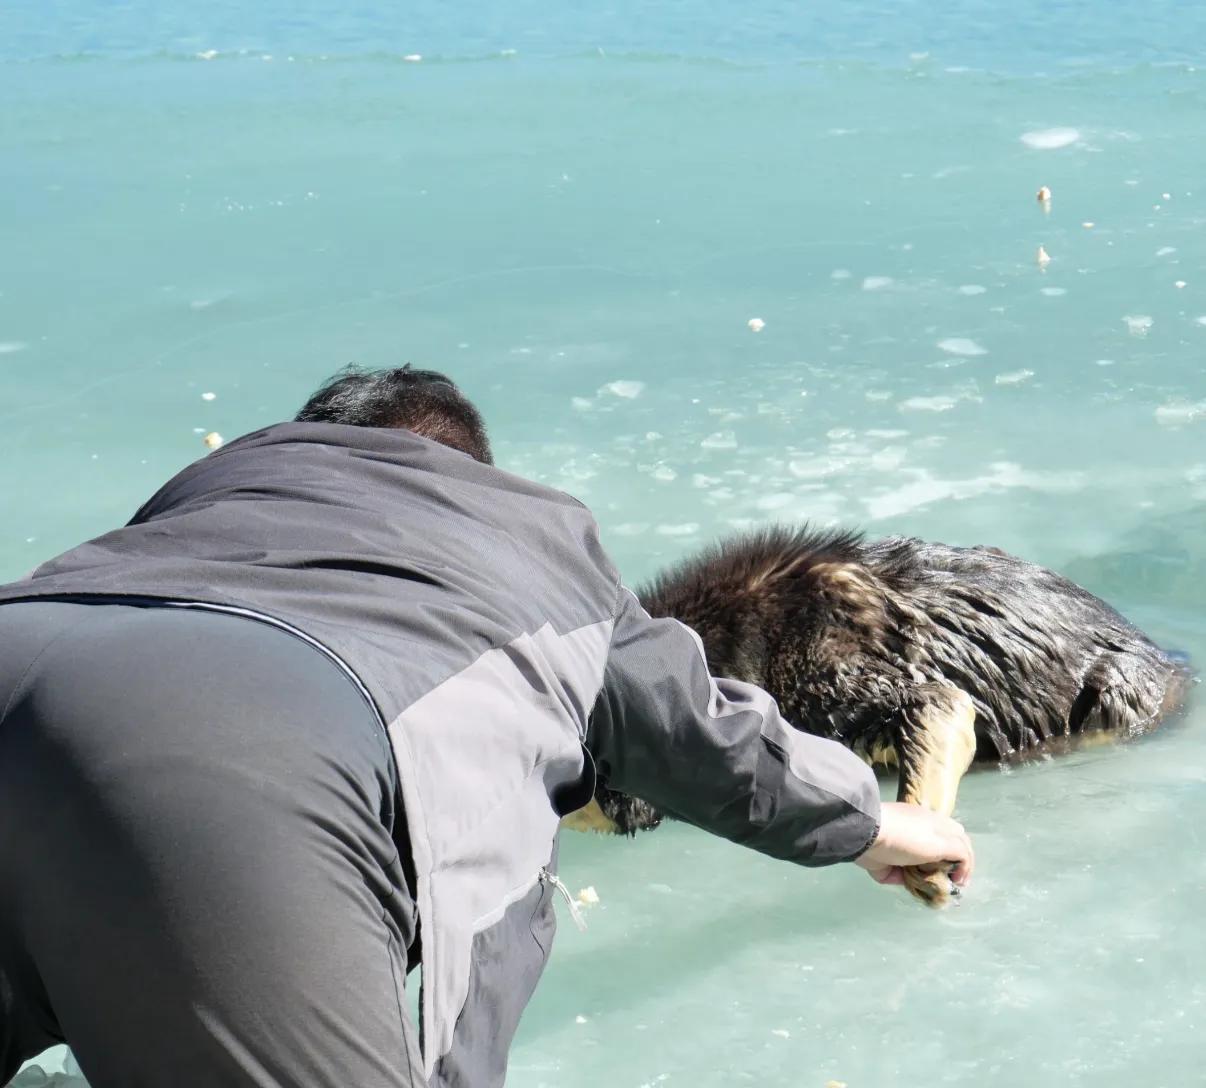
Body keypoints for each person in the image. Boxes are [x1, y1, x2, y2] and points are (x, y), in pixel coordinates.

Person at [0, 366, 973, 1087]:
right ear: (463, 462)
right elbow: (699, 734)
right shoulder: (526, 538)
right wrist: (874, 823)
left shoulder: (196, 503)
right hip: (248, 758)